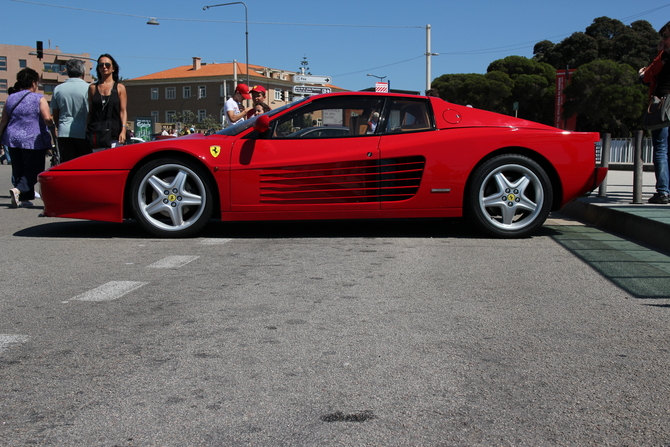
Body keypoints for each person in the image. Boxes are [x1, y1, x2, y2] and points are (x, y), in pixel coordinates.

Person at [0, 68, 54, 208]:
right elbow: (47, 118)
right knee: (35, 168)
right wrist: (52, 126)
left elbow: (4, 121)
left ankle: (24, 198)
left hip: (12, 138)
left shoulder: (10, 98)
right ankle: (19, 190)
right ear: (33, 82)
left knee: (19, 168)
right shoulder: (38, 98)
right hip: (32, 138)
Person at [642, 21, 670, 204]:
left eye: (666, 37)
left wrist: (659, 54)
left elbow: (647, 76)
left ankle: (663, 192)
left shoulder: (664, 56)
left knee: (660, 149)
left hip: (664, 104)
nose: (664, 41)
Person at [51, 59, 90, 163]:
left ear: (67, 71)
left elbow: (55, 114)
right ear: (83, 72)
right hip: (84, 133)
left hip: (64, 132)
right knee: (84, 165)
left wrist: (59, 126)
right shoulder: (89, 88)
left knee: (67, 165)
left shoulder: (58, 89)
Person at [87, 54, 127, 150]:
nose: (104, 67)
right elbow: (90, 111)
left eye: (107, 64)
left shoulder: (120, 87)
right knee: (98, 163)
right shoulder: (92, 88)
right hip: (97, 133)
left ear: (113, 68)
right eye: (101, 65)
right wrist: (87, 129)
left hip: (114, 134)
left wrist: (123, 130)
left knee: (115, 164)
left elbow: (123, 111)